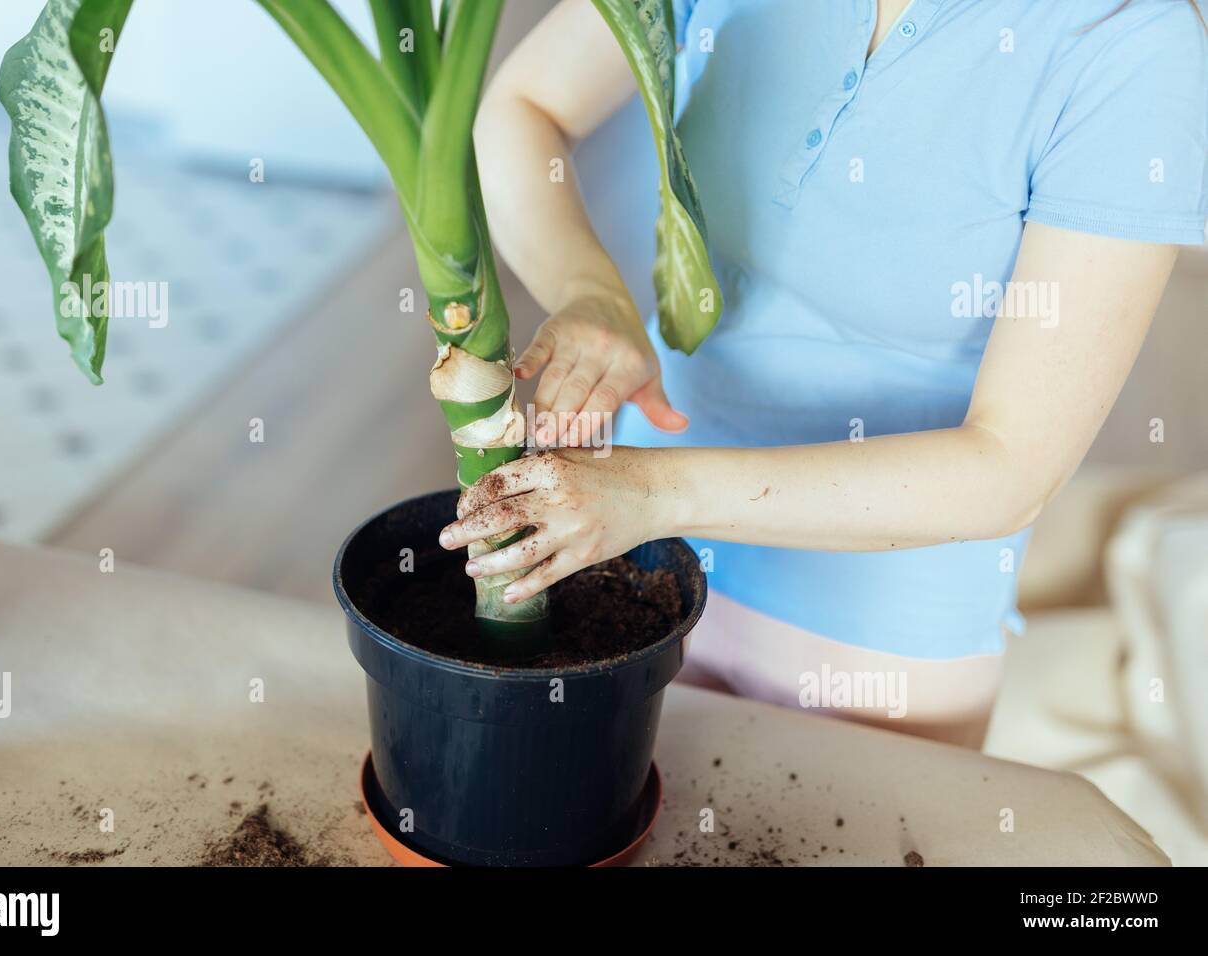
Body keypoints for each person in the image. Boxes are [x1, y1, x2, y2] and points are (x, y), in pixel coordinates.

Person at [440, 0, 1208, 746]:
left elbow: (1013, 466)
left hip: (882, 615)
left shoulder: (1131, 42)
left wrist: (653, 492)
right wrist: (589, 290)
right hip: (632, 538)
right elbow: (523, 105)